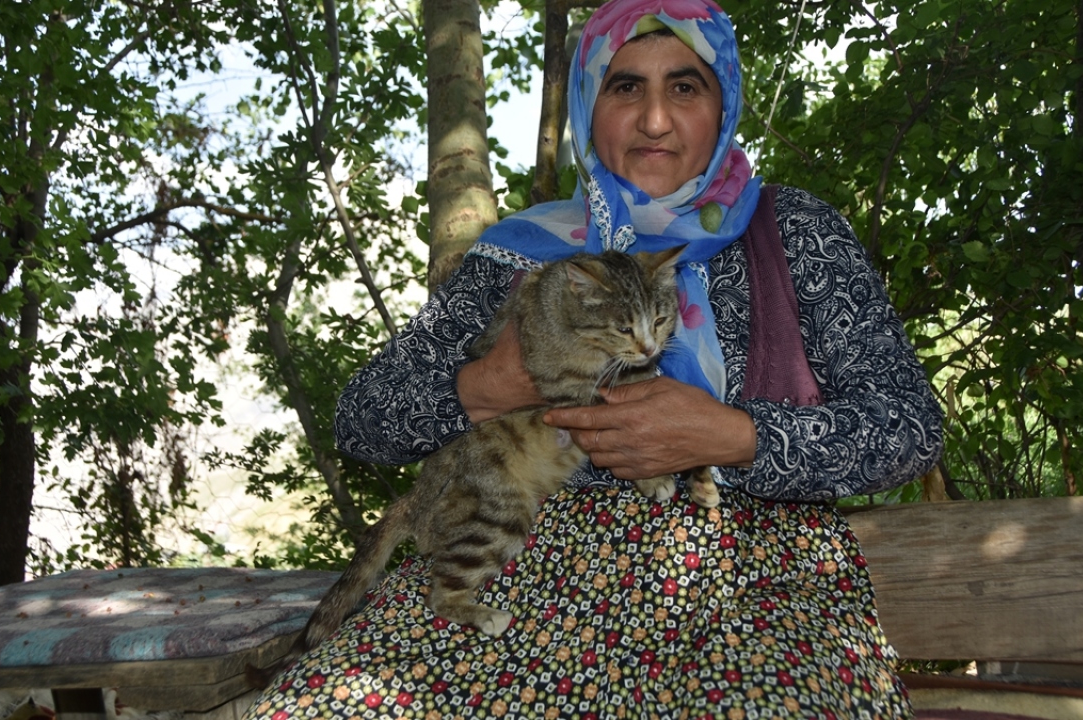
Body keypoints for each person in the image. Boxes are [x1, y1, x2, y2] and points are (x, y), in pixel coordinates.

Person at [244, 0, 943, 717]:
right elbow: (363, 421)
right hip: (521, 576)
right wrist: (493, 384)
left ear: (723, 99)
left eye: (685, 86)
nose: (655, 120)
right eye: (625, 86)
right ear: (588, 101)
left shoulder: (795, 231)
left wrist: (737, 436)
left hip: (751, 583)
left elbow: (910, 428)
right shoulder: (521, 252)